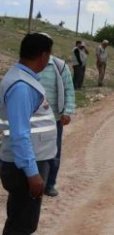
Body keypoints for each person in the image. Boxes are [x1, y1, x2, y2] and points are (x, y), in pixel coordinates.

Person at [0, 32, 57, 234]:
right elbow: (20, 134)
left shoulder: (22, 78)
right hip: (24, 166)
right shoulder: (21, 86)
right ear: (43, 56)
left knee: (22, 221)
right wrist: (32, 173)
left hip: (26, 162)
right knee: (21, 226)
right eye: (49, 55)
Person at [38, 54, 74, 198]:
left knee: (54, 152)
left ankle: (50, 184)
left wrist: (68, 111)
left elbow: (69, 90)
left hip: (54, 118)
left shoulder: (59, 66)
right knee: (34, 152)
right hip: (33, 118)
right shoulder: (30, 64)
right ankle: (34, 183)